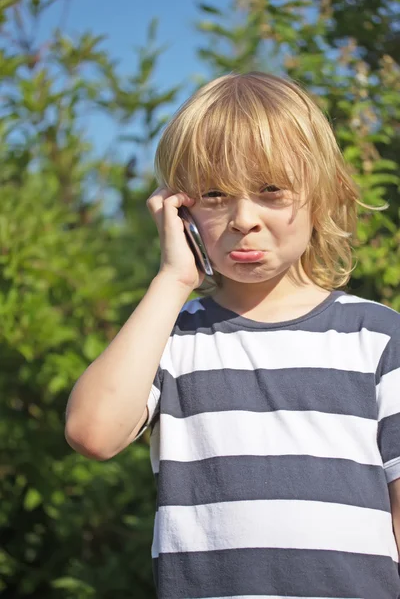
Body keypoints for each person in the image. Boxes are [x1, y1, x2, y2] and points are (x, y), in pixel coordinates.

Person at [65, 72, 400, 599]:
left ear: (324, 192)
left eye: (270, 190)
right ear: (179, 210)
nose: (244, 219)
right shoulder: (170, 335)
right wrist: (173, 279)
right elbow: (93, 432)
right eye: (215, 194)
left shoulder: (378, 337)